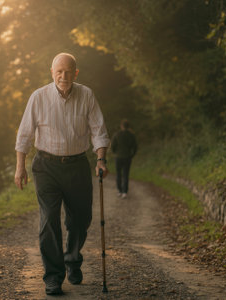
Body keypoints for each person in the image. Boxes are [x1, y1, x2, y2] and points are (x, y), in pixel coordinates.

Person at [14, 53, 110, 295]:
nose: (63, 76)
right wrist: (20, 167)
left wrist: (100, 159)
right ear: (52, 72)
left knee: (80, 220)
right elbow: (24, 135)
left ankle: (72, 258)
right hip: (46, 166)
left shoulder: (86, 95)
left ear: (75, 73)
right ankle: (53, 277)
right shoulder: (39, 97)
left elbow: (99, 130)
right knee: (49, 220)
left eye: (68, 71)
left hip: (77, 165)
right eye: (59, 71)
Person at [111, 119, 137, 198]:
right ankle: (125, 191)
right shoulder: (131, 135)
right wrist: (132, 155)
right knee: (126, 174)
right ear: (128, 126)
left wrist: (115, 152)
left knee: (118, 174)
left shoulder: (117, 134)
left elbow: (113, 145)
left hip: (118, 157)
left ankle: (119, 190)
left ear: (121, 126)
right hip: (127, 157)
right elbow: (135, 147)